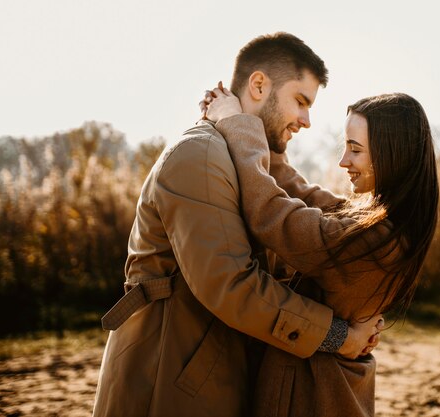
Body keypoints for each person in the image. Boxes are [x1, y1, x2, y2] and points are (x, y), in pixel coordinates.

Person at [92, 32, 383, 417]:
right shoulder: (199, 156)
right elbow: (231, 284)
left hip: (212, 377)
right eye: (300, 101)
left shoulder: (238, 157)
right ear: (259, 84)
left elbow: (304, 213)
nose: (307, 120)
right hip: (168, 386)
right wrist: (337, 337)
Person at [202, 89, 439, 416]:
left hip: (313, 395)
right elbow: (304, 194)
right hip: (330, 391)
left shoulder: (372, 241)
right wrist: (262, 128)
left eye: (355, 149)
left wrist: (236, 123)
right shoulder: (386, 224)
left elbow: (271, 214)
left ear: (391, 155)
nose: (343, 161)